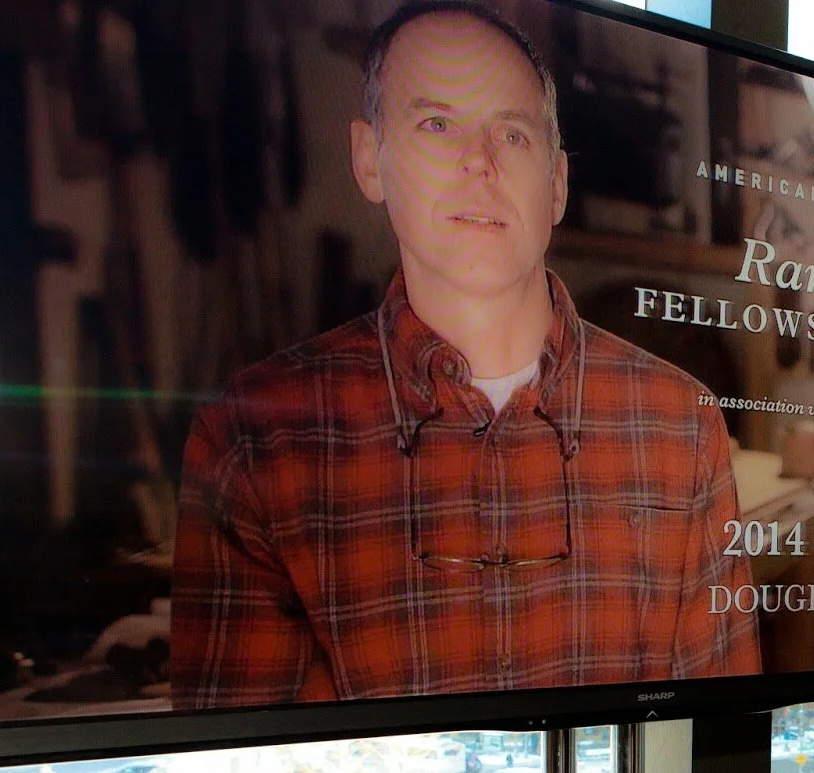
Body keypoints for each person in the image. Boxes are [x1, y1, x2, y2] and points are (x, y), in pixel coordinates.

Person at [171, 0, 759, 708]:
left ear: (558, 183)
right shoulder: (254, 439)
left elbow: (712, 738)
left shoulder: (678, 424)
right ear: (369, 160)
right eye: (437, 124)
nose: (478, 162)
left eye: (512, 135)